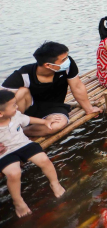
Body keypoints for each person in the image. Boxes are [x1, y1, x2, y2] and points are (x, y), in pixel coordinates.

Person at [1, 42, 102, 137]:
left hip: (54, 107)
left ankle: (20, 131)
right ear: (48, 65)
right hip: (28, 107)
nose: (67, 61)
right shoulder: (23, 74)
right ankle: (10, 126)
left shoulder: (68, 66)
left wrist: (89, 109)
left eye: (67, 57)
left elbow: (77, 86)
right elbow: (2, 100)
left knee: (57, 125)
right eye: (63, 60)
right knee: (21, 91)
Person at [0, 89, 65, 218]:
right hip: (5, 152)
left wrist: (45, 121)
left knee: (44, 160)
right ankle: (18, 201)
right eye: (13, 105)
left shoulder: (16, 115)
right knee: (14, 173)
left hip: (23, 144)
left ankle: (55, 183)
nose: (17, 107)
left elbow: (28, 119)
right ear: (0, 113)